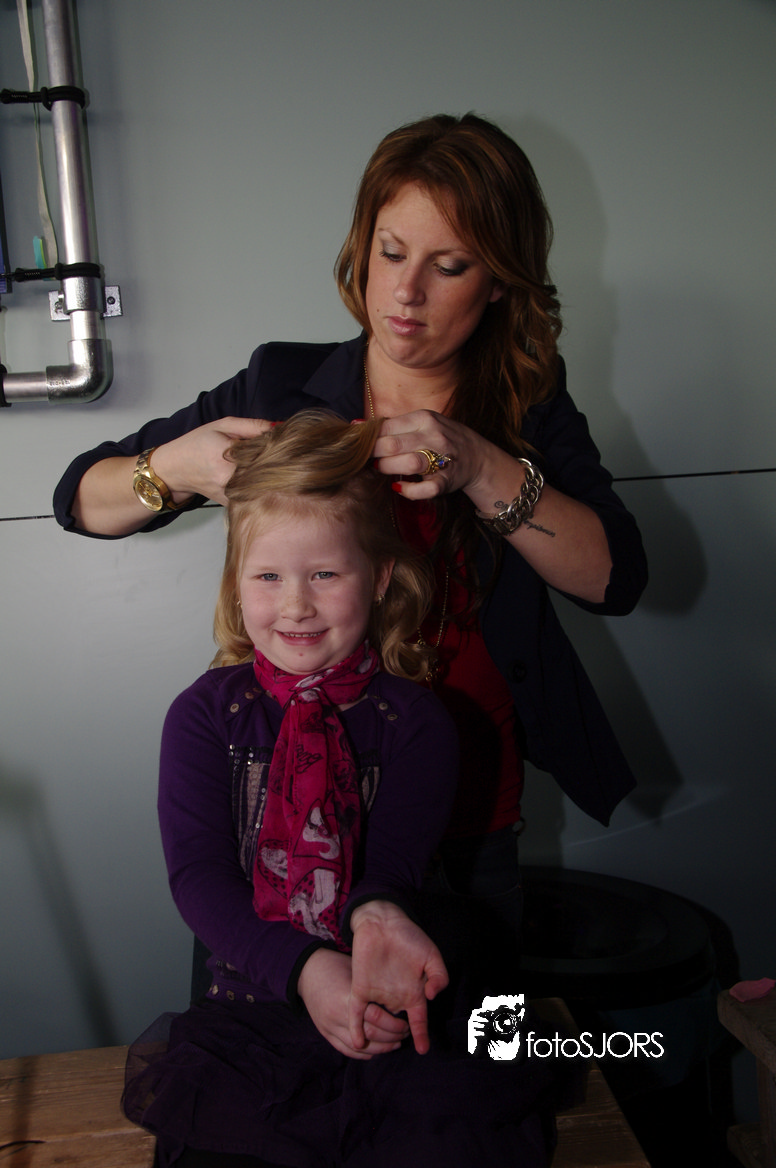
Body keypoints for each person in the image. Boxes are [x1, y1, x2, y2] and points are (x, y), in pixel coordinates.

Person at [55, 112, 648, 989]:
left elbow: (614, 578)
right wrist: (172, 469)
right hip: (280, 810)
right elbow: (78, 499)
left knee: (470, 1049)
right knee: (276, 1038)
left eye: (450, 266)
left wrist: (483, 466)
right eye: (390, 251)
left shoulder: (527, 403)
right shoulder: (283, 383)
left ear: (499, 282)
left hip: (467, 815)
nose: (406, 292)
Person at [122, 412, 561, 1168]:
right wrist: (308, 971)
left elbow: (391, 865)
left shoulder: (417, 723)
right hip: (254, 1008)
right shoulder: (202, 717)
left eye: (325, 574)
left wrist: (378, 918)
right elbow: (198, 879)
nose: (296, 605)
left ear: (381, 576)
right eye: (268, 577)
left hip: (393, 997)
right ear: (236, 583)